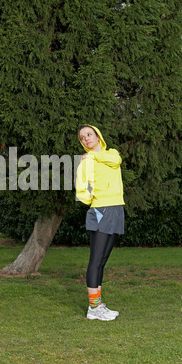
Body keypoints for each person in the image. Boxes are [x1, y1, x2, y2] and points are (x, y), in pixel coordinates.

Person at [75, 125, 125, 321]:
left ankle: (98, 304)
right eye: (82, 137)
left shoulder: (110, 153)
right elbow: (81, 190)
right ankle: (94, 308)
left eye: (89, 134)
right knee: (95, 260)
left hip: (116, 208)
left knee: (103, 259)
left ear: (98, 136)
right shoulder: (85, 163)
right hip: (101, 209)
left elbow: (116, 161)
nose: (86, 139)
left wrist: (94, 155)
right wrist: (94, 201)